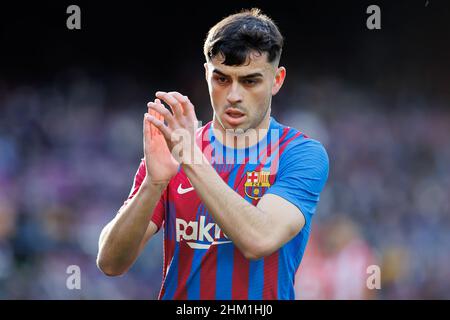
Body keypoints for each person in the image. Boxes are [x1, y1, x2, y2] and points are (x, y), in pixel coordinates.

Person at [96, 8, 329, 300]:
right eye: (221, 79)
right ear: (206, 74)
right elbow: (110, 262)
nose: (233, 95)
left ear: (277, 80)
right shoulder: (173, 151)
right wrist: (152, 185)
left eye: (249, 81)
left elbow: (258, 239)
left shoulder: (300, 154)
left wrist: (191, 159)